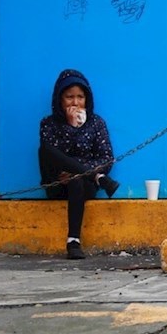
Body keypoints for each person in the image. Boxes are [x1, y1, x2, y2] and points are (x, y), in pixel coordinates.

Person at [38, 69, 120, 259]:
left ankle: (73, 241)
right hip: (56, 183)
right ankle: (99, 178)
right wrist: (70, 126)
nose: (75, 102)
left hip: (83, 186)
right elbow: (51, 154)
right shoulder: (48, 124)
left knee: (76, 180)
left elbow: (106, 158)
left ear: (87, 99)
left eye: (80, 97)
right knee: (44, 149)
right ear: (60, 99)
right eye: (69, 97)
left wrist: (78, 172)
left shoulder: (96, 123)